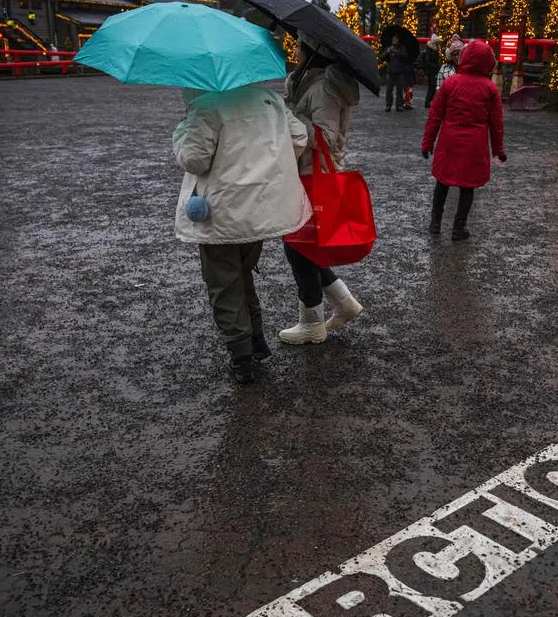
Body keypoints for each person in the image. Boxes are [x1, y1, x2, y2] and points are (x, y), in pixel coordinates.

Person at [172, 85, 310, 383]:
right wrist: (268, 169)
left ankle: (241, 355)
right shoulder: (270, 99)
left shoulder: (208, 105)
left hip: (219, 212)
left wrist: (182, 131)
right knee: (242, 272)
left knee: (223, 281)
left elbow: (194, 160)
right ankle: (255, 338)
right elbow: (299, 137)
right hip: (258, 209)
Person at [279, 32, 365, 346]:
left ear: (312, 52)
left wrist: (287, 117)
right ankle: (343, 303)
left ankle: (312, 322)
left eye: (299, 46)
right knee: (303, 244)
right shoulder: (307, 82)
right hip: (305, 174)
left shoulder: (322, 89)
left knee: (298, 246)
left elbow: (326, 138)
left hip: (315, 177)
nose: (295, 51)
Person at [421, 40, 506, 241]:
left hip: (448, 141)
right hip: (474, 145)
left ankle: (436, 223)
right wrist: (498, 150)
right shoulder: (490, 89)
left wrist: (427, 142)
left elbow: (435, 116)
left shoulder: (451, 83)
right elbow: (496, 124)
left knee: (442, 183)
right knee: (467, 188)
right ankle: (458, 228)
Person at [385, 34, 412, 112]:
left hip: (399, 72)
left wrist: (395, 51)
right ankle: (388, 105)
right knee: (389, 90)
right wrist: (387, 52)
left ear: (398, 40)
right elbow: (383, 56)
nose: (394, 40)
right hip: (390, 72)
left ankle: (399, 105)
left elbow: (404, 56)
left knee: (399, 90)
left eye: (395, 39)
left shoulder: (402, 48)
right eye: (393, 39)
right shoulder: (388, 47)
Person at [417, 34, 443, 109]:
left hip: (433, 70)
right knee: (432, 86)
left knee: (433, 86)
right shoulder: (430, 49)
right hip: (431, 71)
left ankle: (429, 102)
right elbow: (428, 61)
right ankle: (428, 102)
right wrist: (435, 66)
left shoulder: (435, 48)